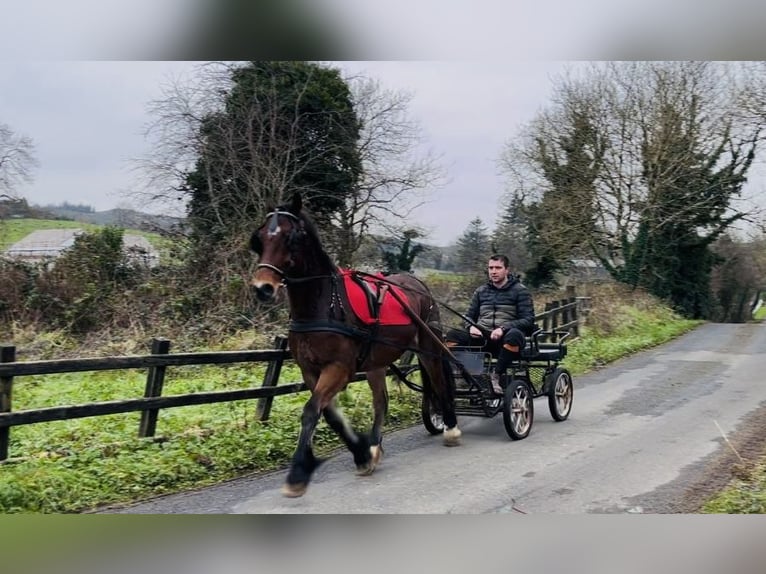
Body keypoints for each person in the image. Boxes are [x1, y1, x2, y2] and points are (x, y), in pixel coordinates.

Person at [446, 254, 536, 394]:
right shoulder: (481, 291)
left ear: (507, 270)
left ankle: (496, 376)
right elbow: (469, 316)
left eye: (498, 268)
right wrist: (471, 326)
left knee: (514, 336)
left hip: (506, 339)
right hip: (482, 337)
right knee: (452, 335)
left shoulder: (520, 291)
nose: (493, 271)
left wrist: (503, 328)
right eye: (491, 268)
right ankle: (472, 374)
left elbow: (528, 319)